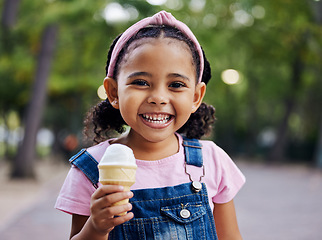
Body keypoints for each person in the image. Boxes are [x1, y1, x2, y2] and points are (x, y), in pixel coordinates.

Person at [55, 10, 246, 240]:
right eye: (141, 82)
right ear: (113, 92)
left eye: (175, 84)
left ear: (196, 96)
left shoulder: (212, 161)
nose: (158, 97)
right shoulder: (92, 168)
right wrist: (96, 228)